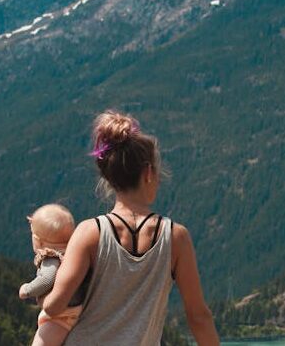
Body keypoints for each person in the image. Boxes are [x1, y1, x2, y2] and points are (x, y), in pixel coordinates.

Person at [41, 109, 219, 345]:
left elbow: (54, 307)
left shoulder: (89, 232)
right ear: (148, 173)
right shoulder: (176, 237)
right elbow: (198, 317)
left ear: (108, 177)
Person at [19, 204, 85, 346]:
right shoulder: (75, 255)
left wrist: (27, 289)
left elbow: (46, 279)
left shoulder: (51, 259)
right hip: (81, 309)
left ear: (38, 241)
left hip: (61, 317)